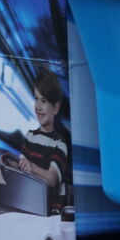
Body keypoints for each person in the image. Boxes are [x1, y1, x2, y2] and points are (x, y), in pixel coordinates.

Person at [14, 68, 69, 213]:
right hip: (28, 205)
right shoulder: (30, 136)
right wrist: (11, 165)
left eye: (43, 101)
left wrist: (32, 167)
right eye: (36, 99)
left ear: (55, 108)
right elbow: (22, 168)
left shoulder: (59, 144)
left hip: (49, 212)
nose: (38, 106)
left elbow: (52, 179)